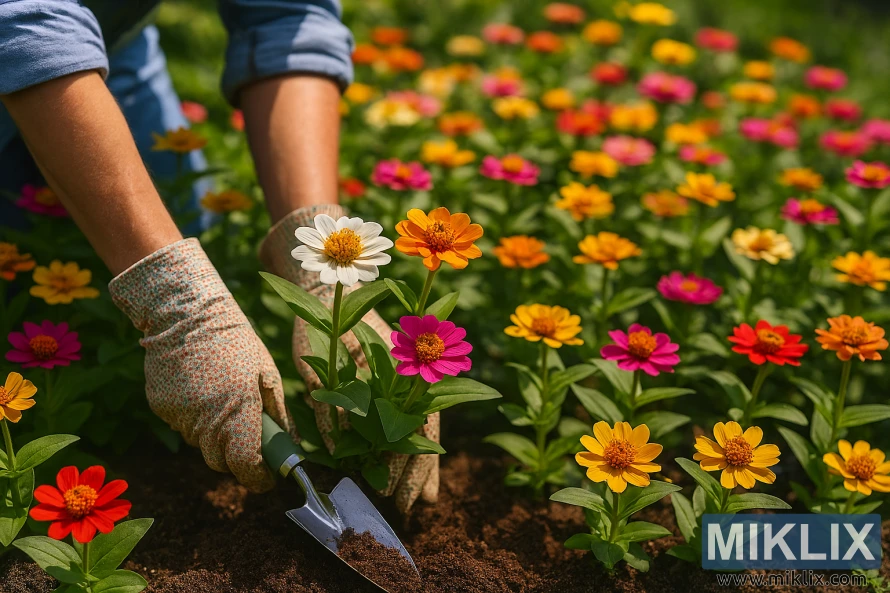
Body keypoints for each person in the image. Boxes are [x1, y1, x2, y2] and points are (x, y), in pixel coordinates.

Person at [0, 0, 438, 513]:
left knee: (185, 221)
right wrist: (178, 306)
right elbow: (25, 23)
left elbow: (285, 15)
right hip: (33, 40)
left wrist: (319, 264)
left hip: (110, 42)